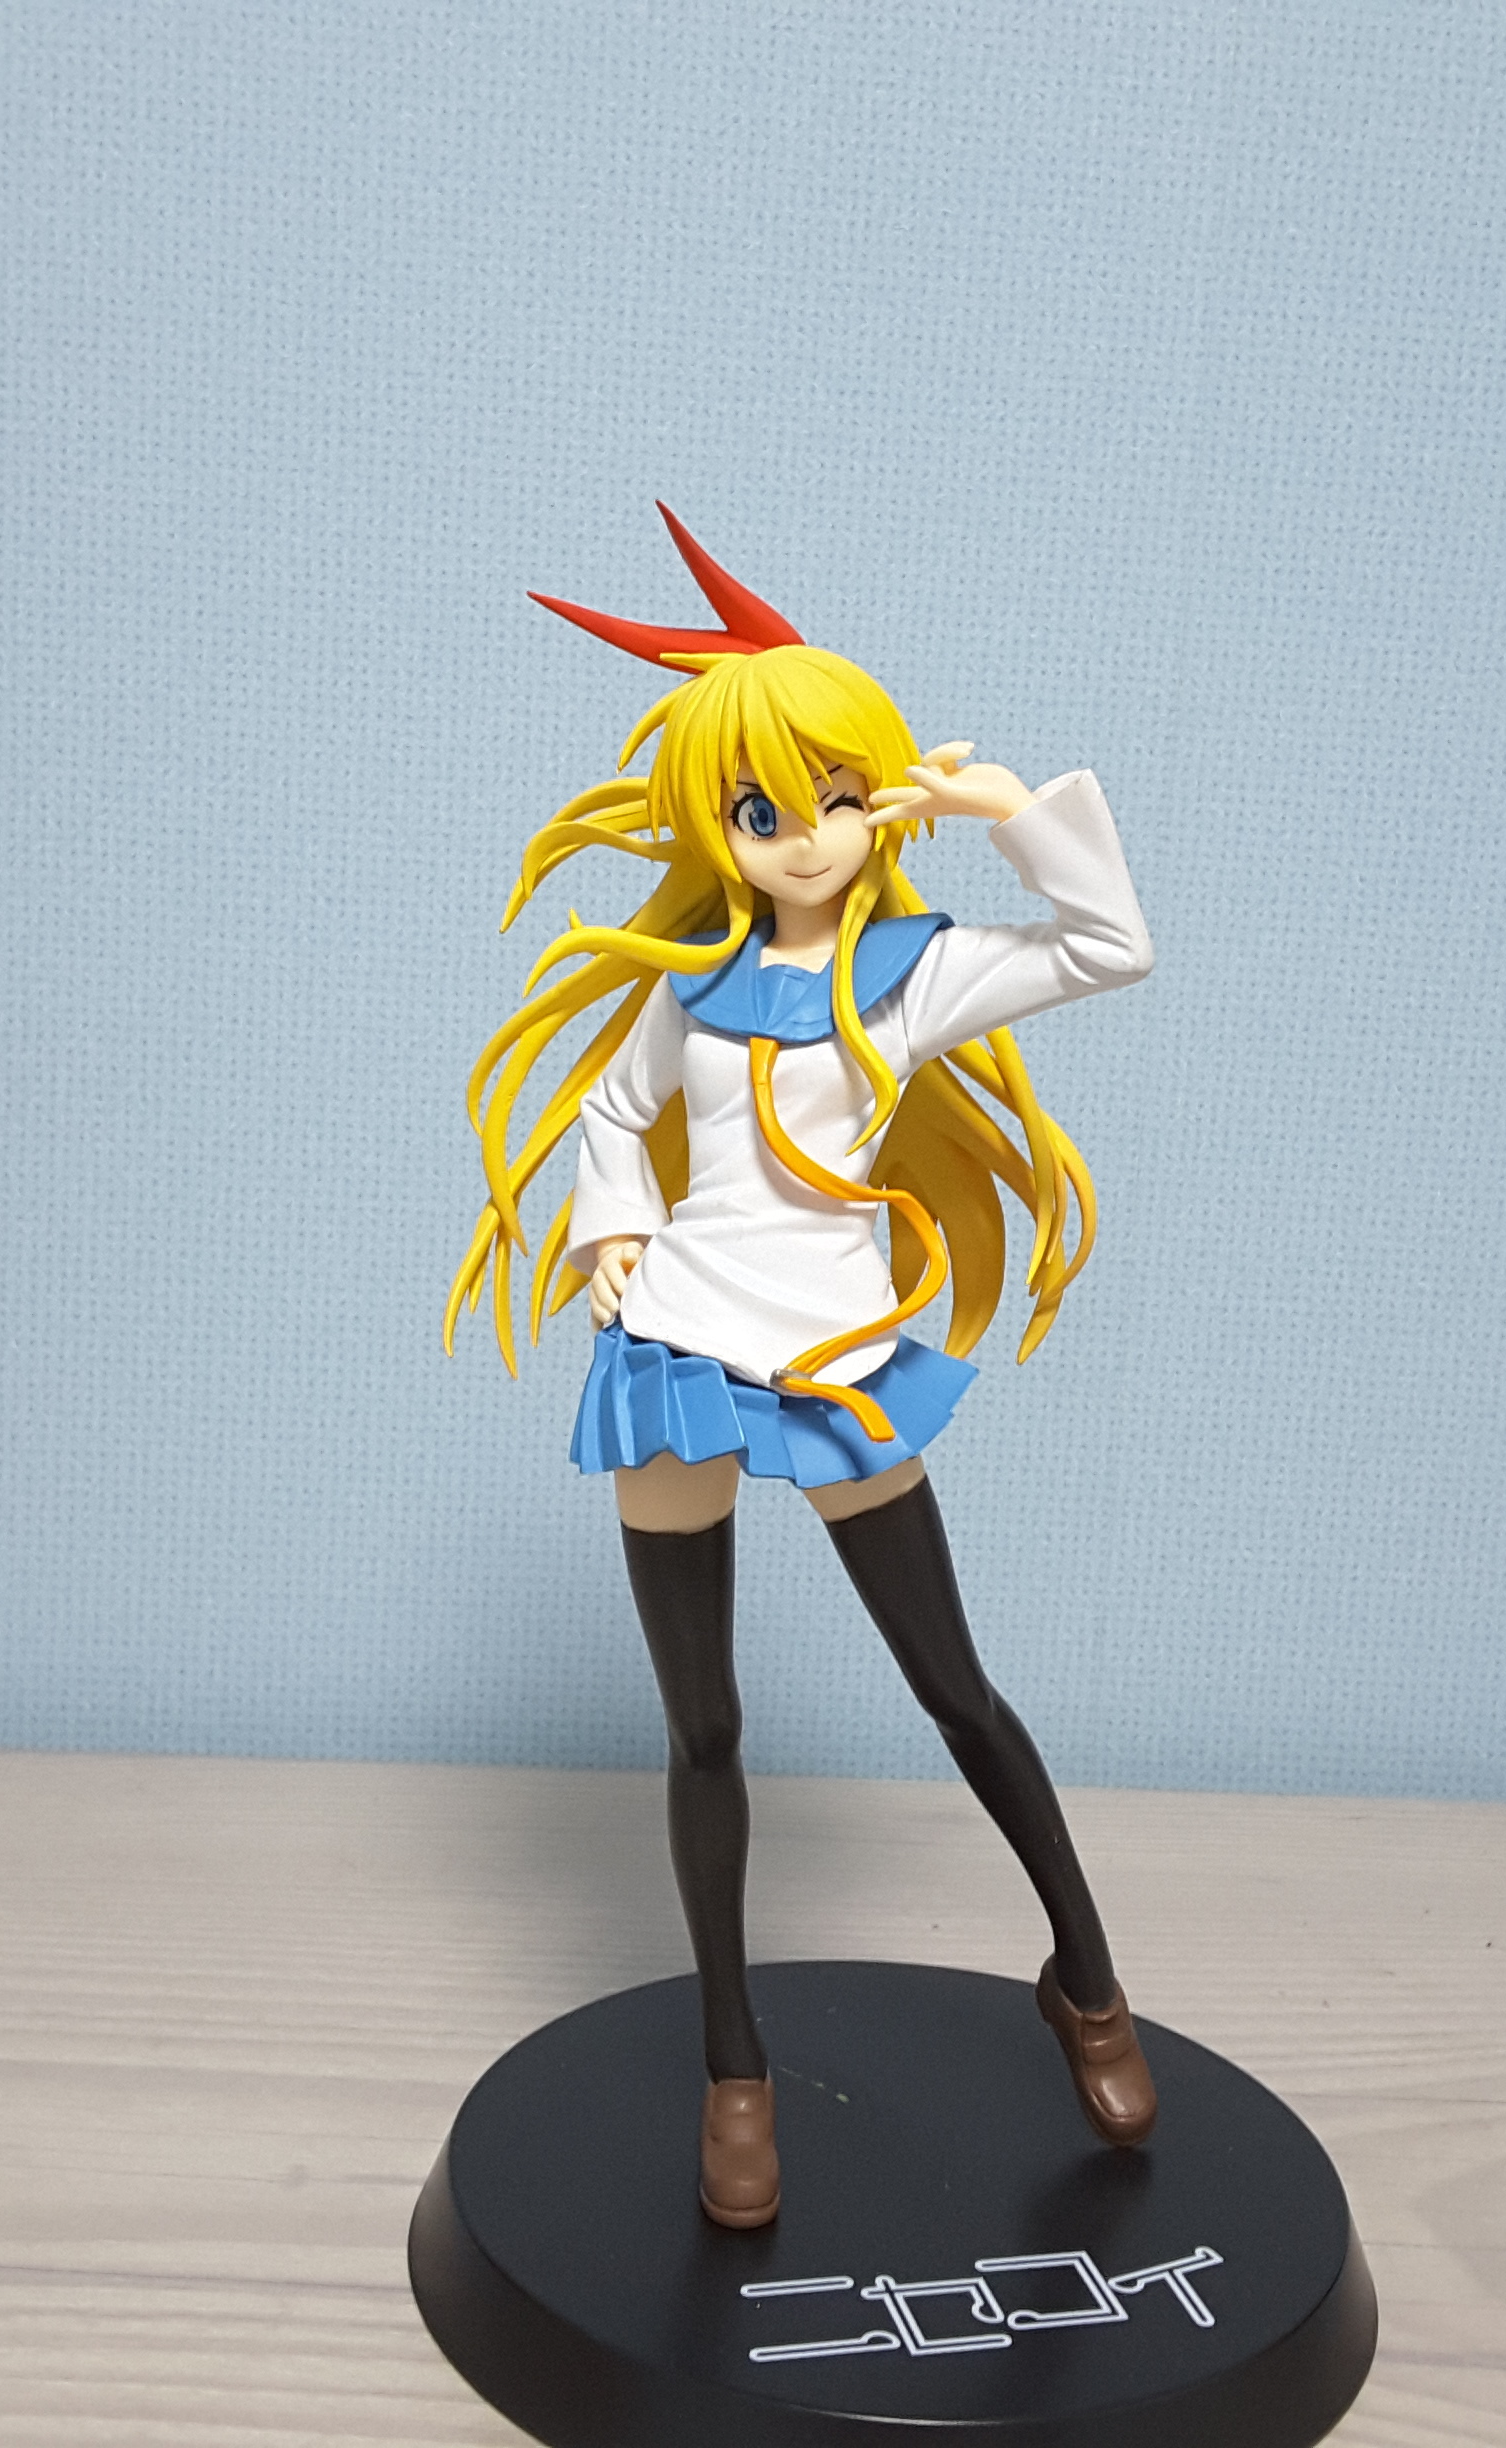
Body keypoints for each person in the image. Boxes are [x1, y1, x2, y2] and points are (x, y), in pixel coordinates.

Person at [449, 507, 1159, 2229]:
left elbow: (1106, 949)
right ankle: (735, 2067)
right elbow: (614, 1120)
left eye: (834, 799)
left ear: (876, 801)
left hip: (834, 1359)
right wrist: (615, 1234)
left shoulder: (906, 978)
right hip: (676, 1351)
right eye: (763, 812)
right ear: (720, 824)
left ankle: (1085, 1978)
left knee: (954, 1688)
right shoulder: (691, 989)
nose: (802, 838)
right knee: (703, 1727)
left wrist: (1010, 815)